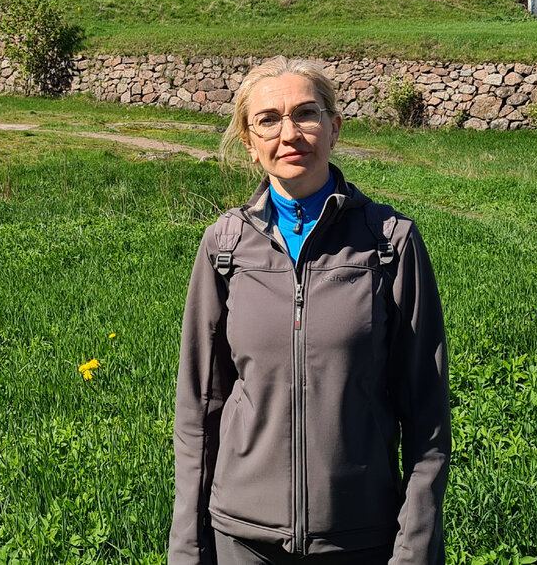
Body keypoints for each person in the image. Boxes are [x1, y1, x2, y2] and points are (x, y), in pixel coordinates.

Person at [170, 57, 450, 565]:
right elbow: (198, 410)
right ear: (250, 143)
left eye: (306, 113)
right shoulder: (225, 246)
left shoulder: (389, 242)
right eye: (269, 120)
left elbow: (427, 417)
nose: (290, 132)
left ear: (334, 127)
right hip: (243, 538)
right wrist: (188, 549)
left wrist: (415, 550)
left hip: (360, 538)